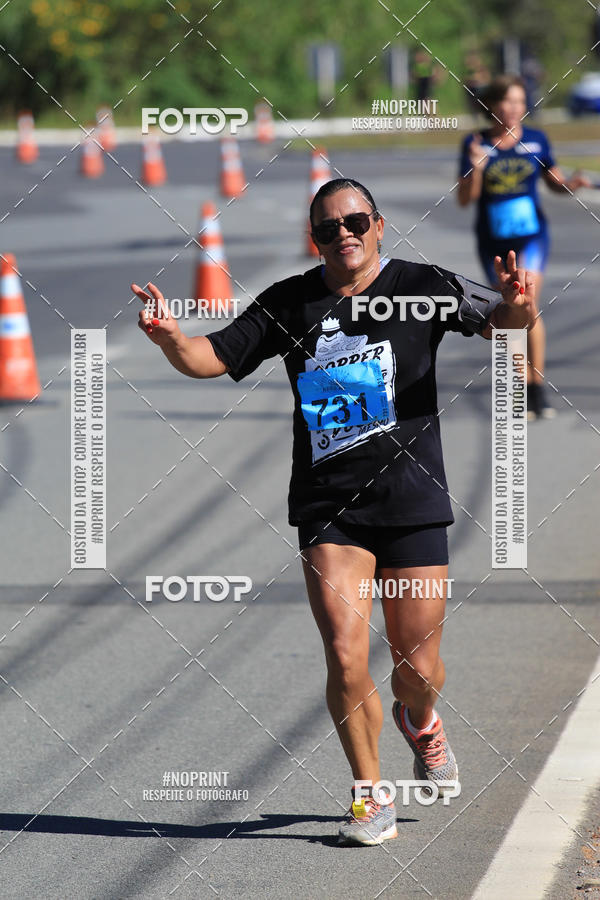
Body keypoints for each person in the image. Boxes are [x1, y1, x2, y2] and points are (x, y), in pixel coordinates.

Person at [132, 178, 536, 845]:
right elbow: (211, 357)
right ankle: (369, 796)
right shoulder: (291, 302)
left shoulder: (422, 284)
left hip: (412, 502)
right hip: (330, 509)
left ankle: (421, 721)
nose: (342, 234)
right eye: (327, 228)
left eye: (353, 222)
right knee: (346, 654)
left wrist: (520, 308)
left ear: (378, 225)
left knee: (417, 670)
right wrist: (171, 337)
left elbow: (503, 327)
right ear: (313, 238)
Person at [457, 73, 591, 420]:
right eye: (507, 101)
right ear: (493, 105)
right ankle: (520, 386)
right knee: (509, 311)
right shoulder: (475, 143)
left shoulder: (536, 139)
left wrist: (571, 184)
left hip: (531, 237)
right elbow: (464, 199)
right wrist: (476, 169)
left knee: (527, 301)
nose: (514, 108)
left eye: (519, 101)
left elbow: (554, 182)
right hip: (493, 242)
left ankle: (537, 386)